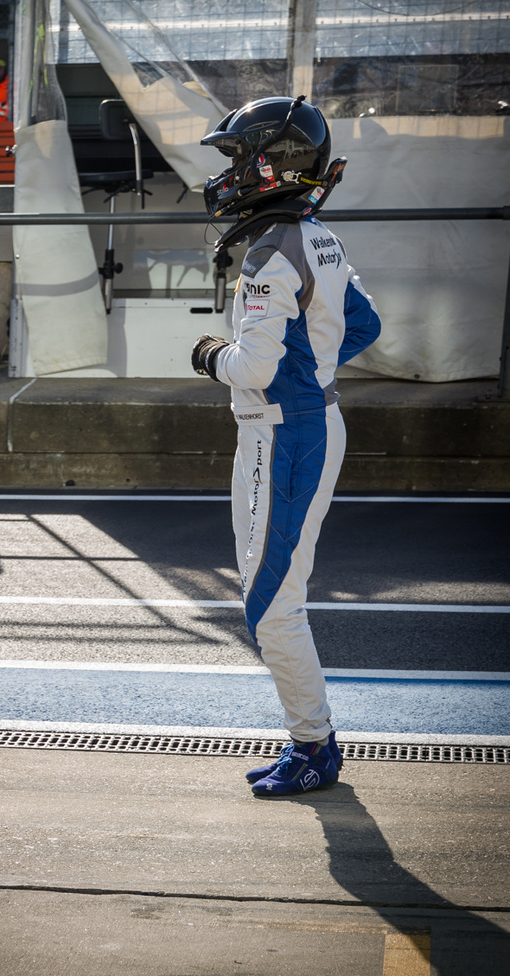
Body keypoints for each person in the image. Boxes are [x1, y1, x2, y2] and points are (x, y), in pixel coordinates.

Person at [191, 96, 381, 797]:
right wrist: (315, 371)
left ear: (274, 163)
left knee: (270, 604)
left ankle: (314, 746)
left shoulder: (271, 254)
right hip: (304, 424)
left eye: (239, 159)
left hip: (285, 431)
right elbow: (363, 324)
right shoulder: (315, 233)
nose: (230, 174)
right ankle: (310, 739)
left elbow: (251, 368)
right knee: (272, 594)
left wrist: (208, 353)